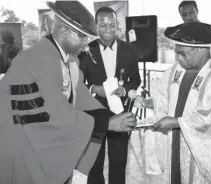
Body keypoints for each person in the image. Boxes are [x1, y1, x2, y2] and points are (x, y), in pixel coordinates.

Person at [0, 1, 136, 184]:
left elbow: (82, 97)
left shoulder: (69, 61)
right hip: (26, 147)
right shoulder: (35, 61)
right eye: (83, 38)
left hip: (45, 148)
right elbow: (47, 113)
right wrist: (107, 124)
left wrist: (112, 116)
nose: (87, 45)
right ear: (64, 32)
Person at [126, 22, 211, 184]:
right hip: (177, 145)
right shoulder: (175, 71)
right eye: (176, 52)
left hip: (203, 155)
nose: (178, 58)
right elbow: (165, 99)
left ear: (201, 49)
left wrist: (176, 122)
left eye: (183, 53)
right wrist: (150, 103)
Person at [78, 6, 141, 184]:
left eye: (112, 25)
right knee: (94, 165)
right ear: (96, 26)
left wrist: (125, 88)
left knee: (119, 163)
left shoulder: (129, 49)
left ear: (117, 25)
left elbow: (136, 79)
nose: (108, 30)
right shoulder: (85, 50)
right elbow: (77, 83)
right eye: (103, 25)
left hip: (119, 113)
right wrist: (92, 89)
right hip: (94, 114)